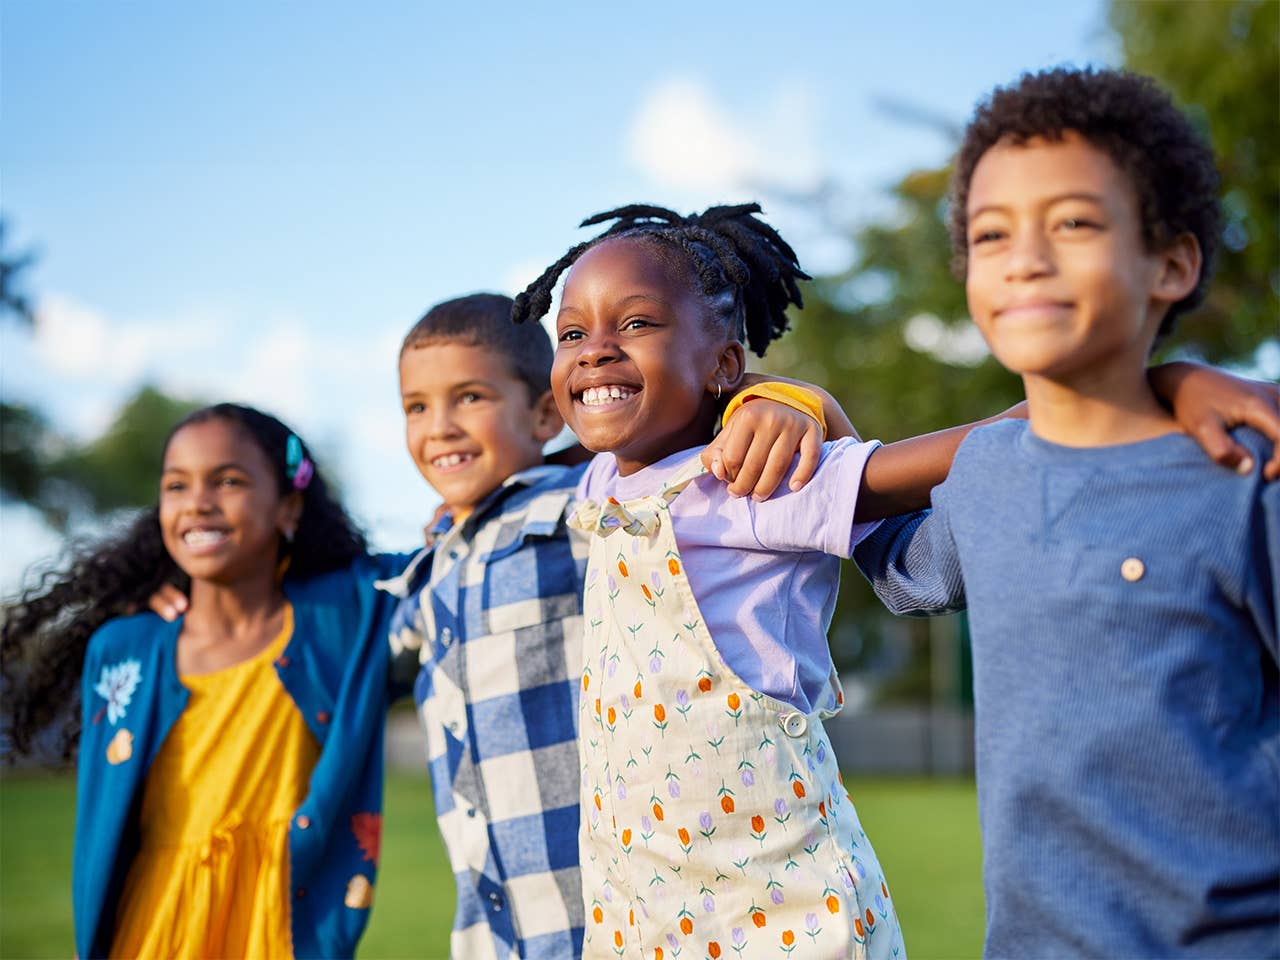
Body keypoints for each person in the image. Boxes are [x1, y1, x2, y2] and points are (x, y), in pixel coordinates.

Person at [852, 67, 1280, 957]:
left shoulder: (1242, 474)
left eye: (1075, 223)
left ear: (1172, 262)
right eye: (991, 233)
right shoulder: (984, 477)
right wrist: (797, 405)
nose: (1025, 258)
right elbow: (875, 543)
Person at [378, 292, 833, 959]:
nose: (440, 426)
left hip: (608, 913)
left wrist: (776, 399)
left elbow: (676, 423)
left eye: (469, 398)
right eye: (417, 407)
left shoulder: (584, 504)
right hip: (493, 933)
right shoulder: (430, 561)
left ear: (543, 411)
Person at [513, 202, 910, 959]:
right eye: (572, 333)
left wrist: (807, 402)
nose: (595, 351)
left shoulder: (757, 476)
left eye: (634, 324)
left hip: (782, 916)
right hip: (640, 920)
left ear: (723, 363)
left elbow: (933, 464)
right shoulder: (598, 481)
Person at [1, 404, 402, 959]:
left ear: (289, 506)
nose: (198, 502)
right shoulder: (123, 649)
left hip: (280, 929)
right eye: (176, 485)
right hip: (150, 931)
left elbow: (461, 534)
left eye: (229, 480)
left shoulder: (347, 613)